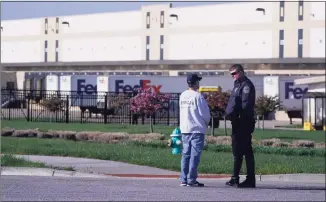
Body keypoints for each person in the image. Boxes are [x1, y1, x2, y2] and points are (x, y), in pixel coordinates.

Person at [225, 64, 256, 188]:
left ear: (242, 72)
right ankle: (234, 178)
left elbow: (245, 105)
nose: (233, 76)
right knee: (236, 151)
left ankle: (250, 180)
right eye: (231, 74)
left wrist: (235, 114)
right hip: (237, 122)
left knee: (246, 151)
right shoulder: (237, 85)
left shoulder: (246, 85)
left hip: (244, 122)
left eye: (235, 73)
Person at [179, 73, 211, 187]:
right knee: (195, 156)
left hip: (185, 128)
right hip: (197, 129)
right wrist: (207, 123)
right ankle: (191, 179)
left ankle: (183, 179)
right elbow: (205, 114)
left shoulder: (182, 95)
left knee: (185, 154)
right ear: (196, 82)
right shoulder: (198, 96)